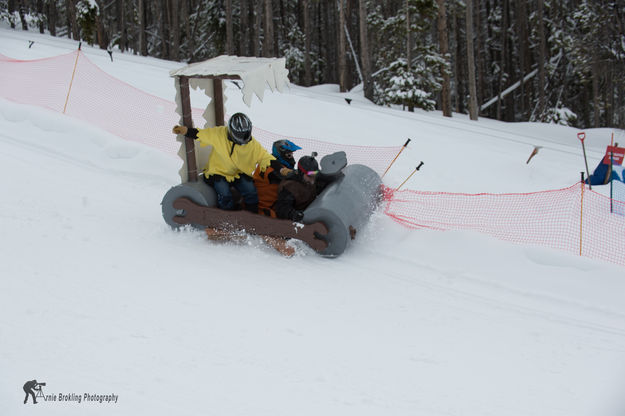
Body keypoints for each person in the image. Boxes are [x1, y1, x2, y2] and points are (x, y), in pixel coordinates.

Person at [172, 113, 274, 213]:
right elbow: (201, 134)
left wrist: (280, 168)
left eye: (244, 134)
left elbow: (264, 157)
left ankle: (252, 214)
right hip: (217, 172)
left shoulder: (251, 144)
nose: (242, 137)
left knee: (250, 190)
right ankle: (227, 217)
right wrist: (185, 131)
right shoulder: (219, 134)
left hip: (237, 173)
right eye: (239, 135)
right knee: (224, 193)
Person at [253, 139, 302, 217]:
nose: (291, 157)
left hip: (272, 206)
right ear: (280, 154)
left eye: (291, 154)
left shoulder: (276, 164)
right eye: (289, 155)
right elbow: (290, 176)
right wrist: (309, 173)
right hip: (262, 209)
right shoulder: (271, 168)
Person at [273, 153, 320, 222]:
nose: (312, 179)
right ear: (301, 173)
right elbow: (282, 209)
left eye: (315, 174)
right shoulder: (290, 187)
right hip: (296, 221)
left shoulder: (310, 179)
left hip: (312, 210)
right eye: (309, 176)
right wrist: (294, 214)